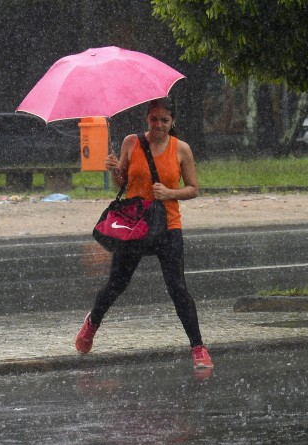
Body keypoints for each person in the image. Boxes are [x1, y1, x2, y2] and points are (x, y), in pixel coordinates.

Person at [76, 97, 213, 371]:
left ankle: (198, 347)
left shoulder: (181, 149)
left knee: (178, 289)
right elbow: (123, 183)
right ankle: (92, 323)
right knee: (117, 284)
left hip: (167, 226)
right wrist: (114, 171)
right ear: (147, 119)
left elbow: (193, 188)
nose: (158, 124)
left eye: (164, 120)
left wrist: (170, 193)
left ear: (173, 122)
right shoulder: (131, 142)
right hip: (135, 226)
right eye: (153, 119)